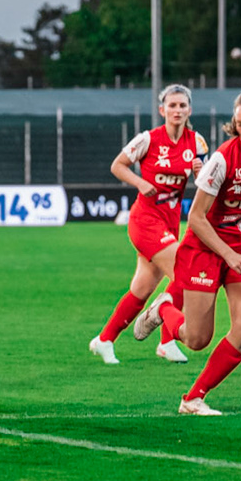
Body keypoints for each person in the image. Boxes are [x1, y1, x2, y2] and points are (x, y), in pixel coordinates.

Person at [157, 91, 241, 415]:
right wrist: (229, 256)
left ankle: (192, 398)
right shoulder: (222, 159)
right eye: (240, 124)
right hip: (205, 246)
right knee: (196, 339)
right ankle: (165, 309)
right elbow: (196, 218)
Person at [89, 84, 208, 366]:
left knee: (141, 290)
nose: (177, 110)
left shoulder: (197, 142)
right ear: (161, 110)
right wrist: (141, 182)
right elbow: (117, 165)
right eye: (172, 105)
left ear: (189, 110)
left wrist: (201, 175)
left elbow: (205, 182)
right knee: (186, 271)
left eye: (182, 106)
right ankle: (167, 340)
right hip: (144, 221)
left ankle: (104, 340)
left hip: (170, 221)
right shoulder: (148, 140)